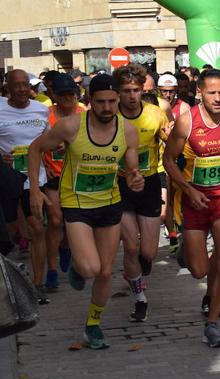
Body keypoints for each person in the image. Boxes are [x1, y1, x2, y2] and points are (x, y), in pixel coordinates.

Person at [28, 74, 144, 349]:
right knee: (91, 268)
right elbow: (35, 149)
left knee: (105, 272)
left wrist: (135, 177)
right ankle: (79, 265)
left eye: (111, 102)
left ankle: (93, 325)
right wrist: (35, 189)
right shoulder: (70, 126)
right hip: (76, 204)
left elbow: (131, 165)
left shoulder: (127, 130)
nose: (106, 107)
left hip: (109, 203)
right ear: (89, 101)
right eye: (100, 102)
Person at [164, 69, 220, 347]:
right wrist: (188, 189)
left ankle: (213, 321)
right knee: (199, 271)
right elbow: (168, 160)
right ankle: (189, 254)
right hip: (194, 201)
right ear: (199, 92)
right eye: (211, 92)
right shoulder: (186, 122)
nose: (218, 98)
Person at [112, 64, 170, 322]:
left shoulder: (156, 114)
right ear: (118, 92)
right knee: (131, 246)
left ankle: (137, 270)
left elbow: (172, 142)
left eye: (136, 90)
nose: (132, 96)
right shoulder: (109, 115)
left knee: (149, 252)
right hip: (119, 185)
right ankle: (139, 299)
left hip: (149, 184)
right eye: (126, 91)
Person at [1, 70, 50, 304]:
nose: (21, 89)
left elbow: (48, 141)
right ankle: (9, 284)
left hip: (34, 180)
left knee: (37, 228)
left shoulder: (41, 109)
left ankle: (37, 284)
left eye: (24, 85)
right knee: (10, 234)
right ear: (7, 87)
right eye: (16, 85)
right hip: (6, 179)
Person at [42, 73, 84, 291]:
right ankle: (51, 270)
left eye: (71, 94)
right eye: (63, 94)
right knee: (55, 220)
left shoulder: (84, 113)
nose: (68, 98)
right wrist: (44, 166)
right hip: (54, 175)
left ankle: (66, 248)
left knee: (71, 221)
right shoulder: (45, 116)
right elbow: (35, 145)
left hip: (77, 177)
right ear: (54, 95)